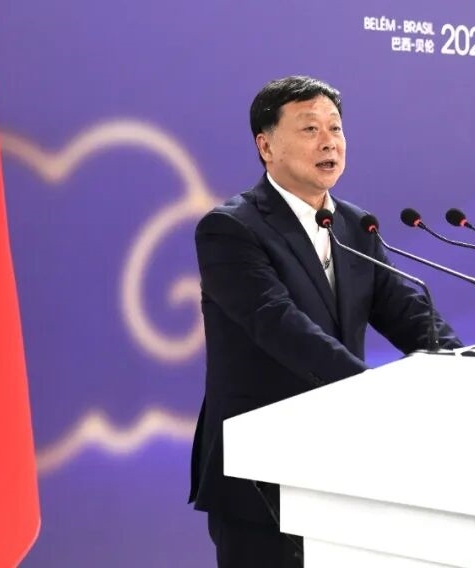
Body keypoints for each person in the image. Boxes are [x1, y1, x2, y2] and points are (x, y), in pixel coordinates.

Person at [188, 75, 461, 568]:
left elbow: (407, 311)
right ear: (266, 146)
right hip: (262, 472)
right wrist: (372, 390)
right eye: (310, 128)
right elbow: (278, 324)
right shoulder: (230, 229)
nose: (329, 141)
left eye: (335, 128)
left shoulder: (356, 225)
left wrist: (463, 365)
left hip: (342, 467)